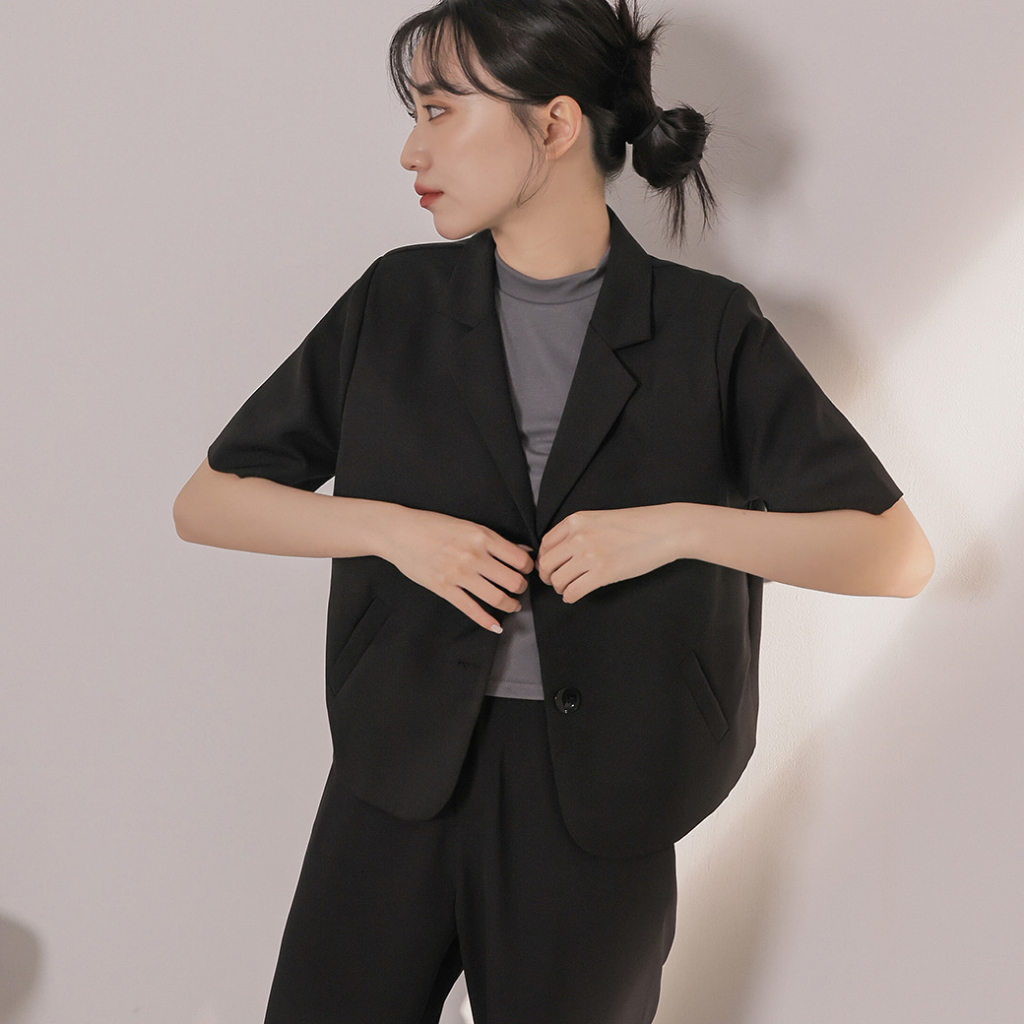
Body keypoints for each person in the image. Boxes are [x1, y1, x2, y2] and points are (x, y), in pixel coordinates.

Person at [172, 1, 935, 1021]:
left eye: (440, 110)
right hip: (394, 772)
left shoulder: (705, 330)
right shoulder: (395, 302)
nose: (412, 150)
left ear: (556, 124)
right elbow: (208, 501)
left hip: (601, 800)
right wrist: (393, 530)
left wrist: (674, 528)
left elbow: (894, 554)